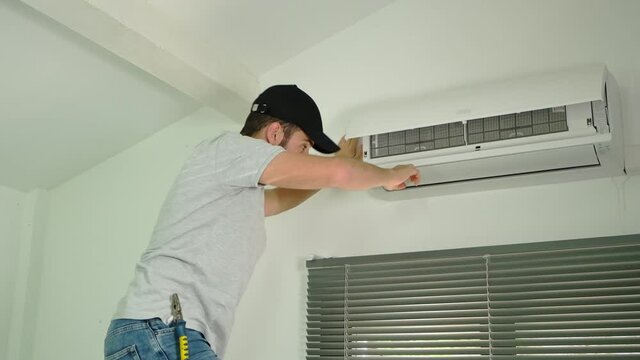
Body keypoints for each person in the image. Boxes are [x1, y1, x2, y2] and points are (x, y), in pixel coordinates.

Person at [104, 85, 419, 360]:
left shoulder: (236, 188)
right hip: (161, 328)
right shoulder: (229, 150)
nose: (305, 156)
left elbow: (284, 197)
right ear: (275, 133)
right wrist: (388, 175)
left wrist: (339, 166)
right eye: (304, 147)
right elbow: (333, 175)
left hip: (158, 333)